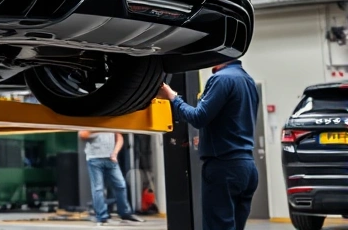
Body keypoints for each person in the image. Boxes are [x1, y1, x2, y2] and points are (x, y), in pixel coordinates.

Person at [159, 61, 260, 230]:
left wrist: (173, 97)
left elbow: (198, 117)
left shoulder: (221, 79)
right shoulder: (248, 80)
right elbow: (233, 120)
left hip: (224, 167)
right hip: (247, 167)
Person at [78, 130, 142, 225]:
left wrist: (115, 153)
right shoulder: (90, 122)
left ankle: (125, 213)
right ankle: (102, 217)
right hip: (94, 159)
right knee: (98, 188)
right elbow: (82, 135)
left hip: (111, 158)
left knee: (121, 185)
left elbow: (119, 137)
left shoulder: (110, 122)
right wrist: (101, 127)